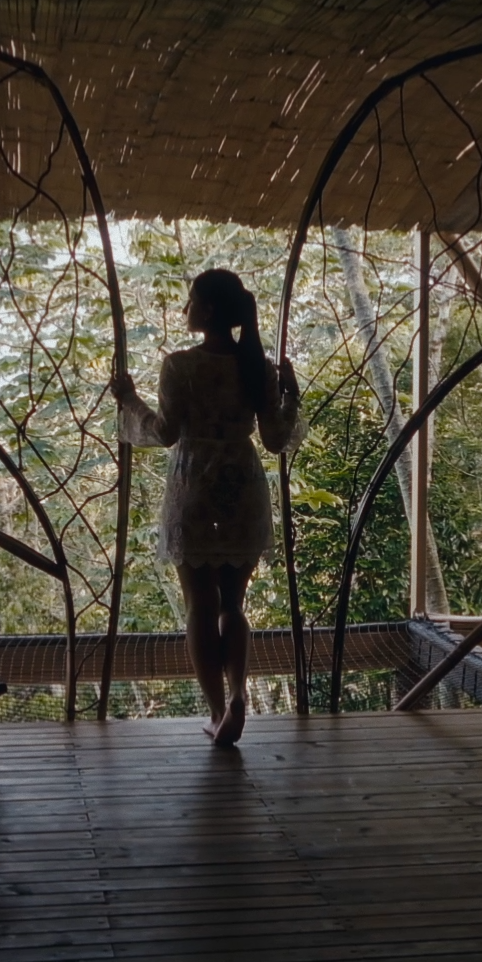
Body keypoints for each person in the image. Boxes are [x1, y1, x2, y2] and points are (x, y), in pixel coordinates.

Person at [112, 269, 304, 746]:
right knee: (233, 605)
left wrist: (129, 400)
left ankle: (218, 711)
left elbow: (164, 432)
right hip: (242, 485)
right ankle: (238, 694)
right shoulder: (257, 367)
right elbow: (276, 438)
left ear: (209, 310)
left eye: (192, 300)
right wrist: (291, 395)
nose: (186, 309)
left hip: (194, 483)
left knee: (200, 605)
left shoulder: (180, 366)